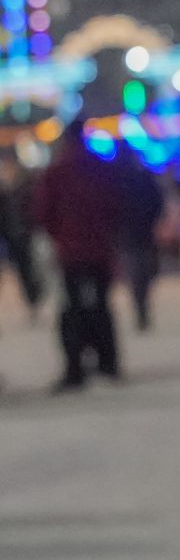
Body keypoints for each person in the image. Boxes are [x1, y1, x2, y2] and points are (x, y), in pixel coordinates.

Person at [32, 124, 123, 390]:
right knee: (101, 306)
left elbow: (42, 212)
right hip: (100, 248)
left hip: (70, 251)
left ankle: (75, 367)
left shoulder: (57, 171)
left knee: (71, 309)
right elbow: (115, 205)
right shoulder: (100, 169)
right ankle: (108, 360)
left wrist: (58, 235)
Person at [115, 150, 166, 332]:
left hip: (133, 234)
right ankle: (142, 307)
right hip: (139, 233)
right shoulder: (141, 177)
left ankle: (141, 306)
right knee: (141, 271)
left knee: (138, 272)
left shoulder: (119, 179)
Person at [0, 150, 45, 322]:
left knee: (27, 269)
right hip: (14, 235)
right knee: (25, 269)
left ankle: (33, 297)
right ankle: (33, 296)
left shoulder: (22, 187)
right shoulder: (10, 190)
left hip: (22, 234)